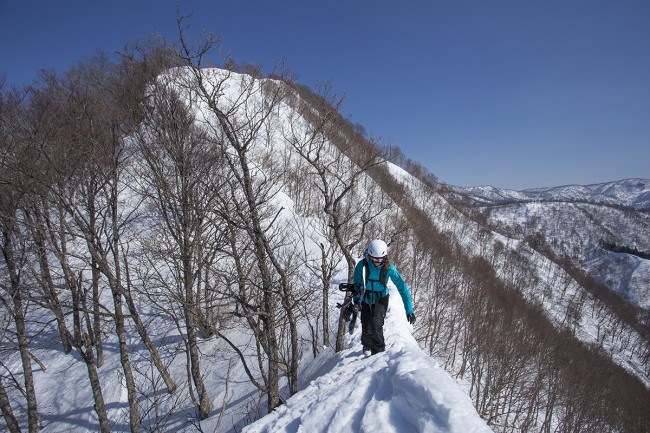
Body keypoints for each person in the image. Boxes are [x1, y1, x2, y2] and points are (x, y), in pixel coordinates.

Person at [353, 239, 415, 355]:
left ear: (385, 257)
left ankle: (378, 352)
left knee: (376, 324)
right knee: (365, 325)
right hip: (366, 297)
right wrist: (356, 301)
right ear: (369, 255)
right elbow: (357, 284)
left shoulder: (389, 268)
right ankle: (367, 346)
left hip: (381, 298)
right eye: (375, 259)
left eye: (380, 259)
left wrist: (409, 310)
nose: (377, 261)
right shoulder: (362, 265)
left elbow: (402, 287)